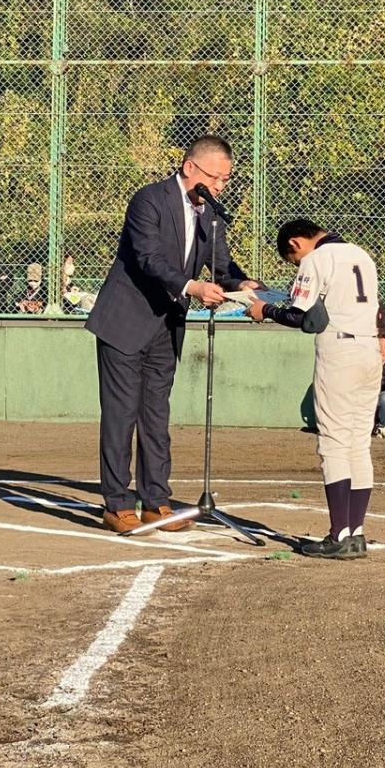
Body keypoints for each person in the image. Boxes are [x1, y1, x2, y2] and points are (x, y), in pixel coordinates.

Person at [85, 136, 258, 535]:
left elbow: (220, 264)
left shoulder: (210, 215)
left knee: (156, 415)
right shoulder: (149, 200)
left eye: (225, 180)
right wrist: (193, 288)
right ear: (190, 168)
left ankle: (156, 500)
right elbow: (149, 259)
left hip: (167, 325)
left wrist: (242, 283)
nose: (219, 187)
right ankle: (116, 503)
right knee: (121, 414)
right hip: (124, 323)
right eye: (215, 177)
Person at [247, 218, 381, 561]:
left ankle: (339, 535)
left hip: (340, 351)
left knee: (334, 442)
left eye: (292, 258)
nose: (295, 262)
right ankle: (356, 533)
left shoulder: (316, 259)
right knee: (357, 443)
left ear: (296, 243)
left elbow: (302, 317)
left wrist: (265, 309)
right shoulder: (361, 254)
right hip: (370, 348)